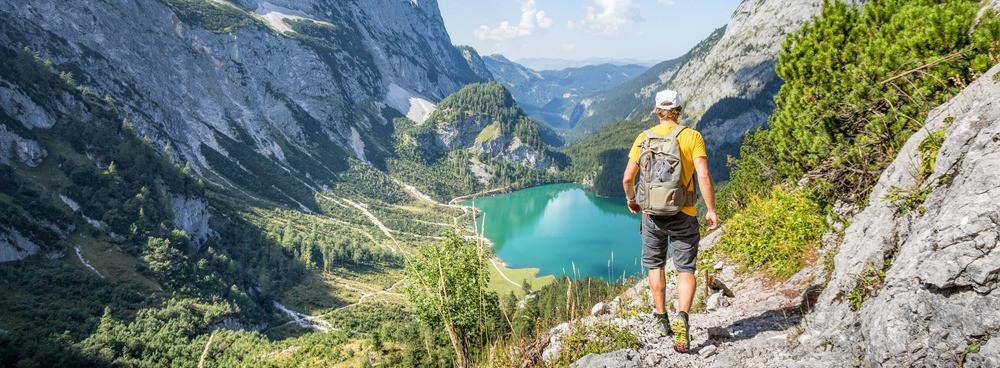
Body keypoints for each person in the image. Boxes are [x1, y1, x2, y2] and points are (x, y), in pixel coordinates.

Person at [621, 89, 718, 353]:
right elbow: (704, 176)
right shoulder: (691, 137)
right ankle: (682, 317)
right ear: (678, 110)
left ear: (656, 111)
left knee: (656, 265)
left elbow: (628, 178)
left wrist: (632, 200)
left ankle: (661, 318)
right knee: (685, 269)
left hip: (652, 214)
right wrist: (711, 209)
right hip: (684, 213)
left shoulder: (644, 138)